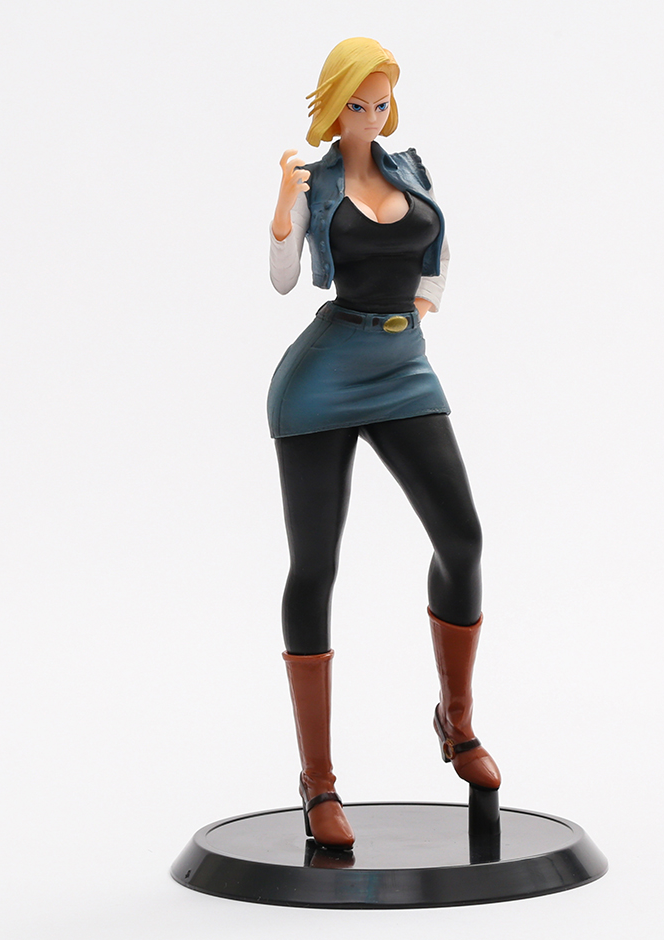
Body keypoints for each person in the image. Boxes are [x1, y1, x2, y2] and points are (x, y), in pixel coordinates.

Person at [268, 37, 499, 851]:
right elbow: (285, 278)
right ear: (334, 108)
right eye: (357, 105)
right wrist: (282, 209)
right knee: (315, 566)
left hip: (403, 370)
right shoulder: (315, 180)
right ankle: (318, 780)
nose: (370, 116)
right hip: (322, 379)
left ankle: (456, 723)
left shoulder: (411, 171)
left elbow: (436, 254)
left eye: (381, 102)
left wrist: (422, 307)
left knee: (461, 539)